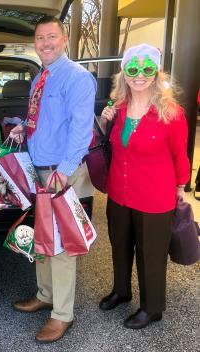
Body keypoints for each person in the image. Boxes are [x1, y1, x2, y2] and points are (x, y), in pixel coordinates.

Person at [9, 16, 96, 342]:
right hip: (38, 168)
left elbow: (80, 128)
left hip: (61, 172)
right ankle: (45, 294)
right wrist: (23, 127)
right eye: (40, 38)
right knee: (43, 238)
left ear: (64, 39)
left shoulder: (76, 77)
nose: (45, 43)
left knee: (61, 247)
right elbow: (42, 119)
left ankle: (63, 314)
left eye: (51, 37)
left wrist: (65, 169)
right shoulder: (41, 77)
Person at [99, 44, 189, 329]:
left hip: (155, 197)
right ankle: (121, 291)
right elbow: (109, 144)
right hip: (119, 193)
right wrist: (104, 121)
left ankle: (152, 307)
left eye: (147, 69)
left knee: (150, 255)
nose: (139, 75)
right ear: (124, 73)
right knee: (120, 246)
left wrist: (180, 188)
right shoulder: (119, 109)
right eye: (133, 69)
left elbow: (180, 155)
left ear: (156, 73)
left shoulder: (172, 114)